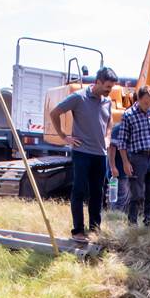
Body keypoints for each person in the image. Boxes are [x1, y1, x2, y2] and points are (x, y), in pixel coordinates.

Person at [50, 67, 118, 242]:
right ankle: (78, 231)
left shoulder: (107, 101)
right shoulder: (78, 97)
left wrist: (108, 136)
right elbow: (55, 113)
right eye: (107, 86)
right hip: (82, 153)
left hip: (100, 155)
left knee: (97, 193)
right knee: (79, 191)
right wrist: (64, 136)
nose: (109, 90)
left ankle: (95, 229)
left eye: (111, 87)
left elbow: (109, 120)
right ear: (98, 82)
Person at [113, 85, 150, 227]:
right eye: (145, 103)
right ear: (139, 99)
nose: (148, 106)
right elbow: (122, 143)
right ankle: (132, 224)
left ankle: (149, 223)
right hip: (138, 158)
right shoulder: (128, 115)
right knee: (137, 195)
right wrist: (125, 162)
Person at [107, 122, 131, 212]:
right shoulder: (119, 128)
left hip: (124, 171)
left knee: (122, 198)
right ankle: (115, 218)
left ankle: (116, 217)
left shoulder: (130, 127)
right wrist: (113, 167)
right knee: (118, 198)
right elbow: (111, 148)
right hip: (117, 172)